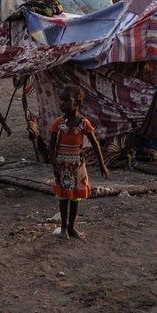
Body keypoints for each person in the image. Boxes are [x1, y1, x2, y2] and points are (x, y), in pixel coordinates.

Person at [49, 86, 108, 241]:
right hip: (62, 167)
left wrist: (103, 165)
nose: (62, 103)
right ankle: (63, 228)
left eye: (66, 100)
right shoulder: (58, 124)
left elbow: (95, 144)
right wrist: (54, 166)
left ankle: (71, 227)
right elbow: (51, 146)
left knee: (75, 198)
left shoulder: (84, 123)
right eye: (61, 100)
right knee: (63, 197)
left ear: (77, 103)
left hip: (78, 166)